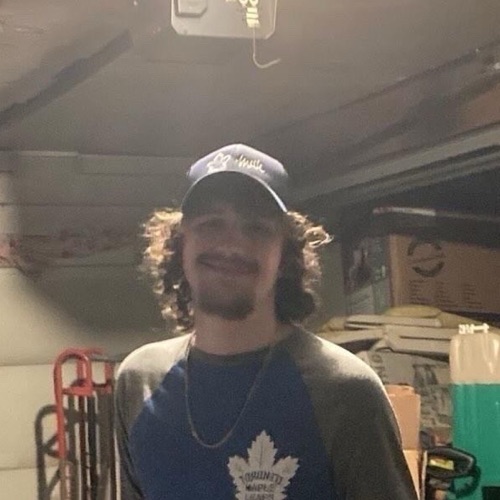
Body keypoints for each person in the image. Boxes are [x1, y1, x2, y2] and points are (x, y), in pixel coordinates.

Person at [115, 144, 418, 500]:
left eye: (256, 228)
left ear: (285, 254)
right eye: (211, 224)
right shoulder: (139, 382)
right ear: (180, 244)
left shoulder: (346, 392)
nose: (231, 244)